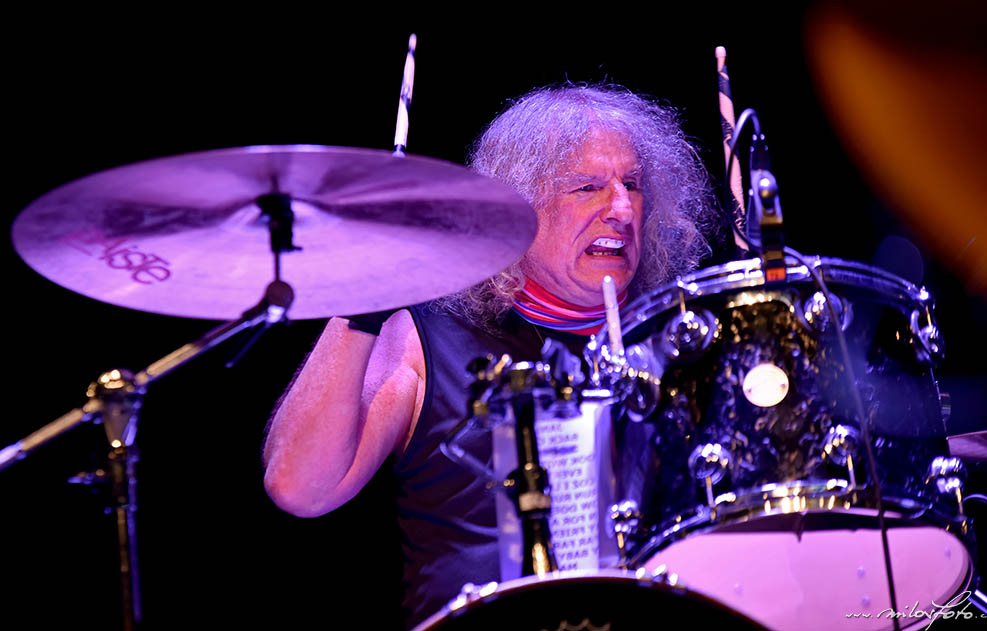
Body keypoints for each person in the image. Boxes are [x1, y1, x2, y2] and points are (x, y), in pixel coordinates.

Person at [262, 83, 717, 628]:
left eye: (633, 185)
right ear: (517, 207)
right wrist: (360, 297)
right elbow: (300, 488)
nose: (621, 209)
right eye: (588, 187)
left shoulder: (682, 343)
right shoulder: (428, 337)